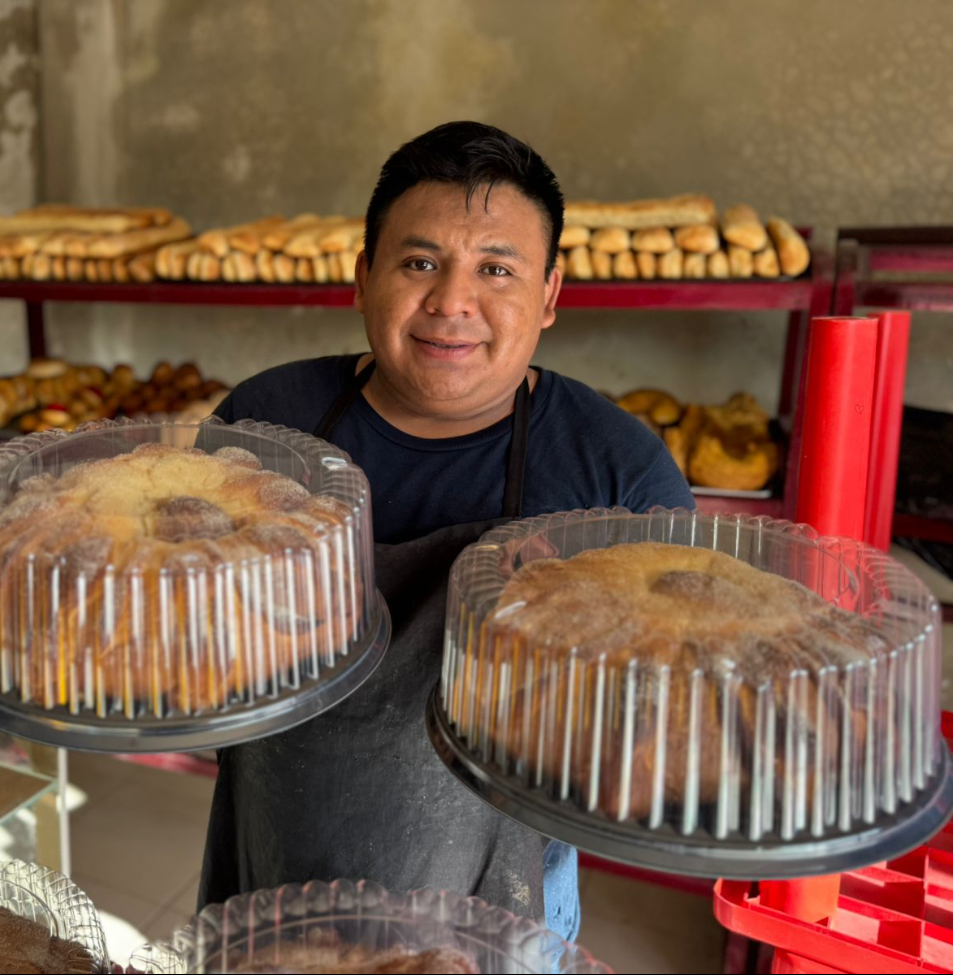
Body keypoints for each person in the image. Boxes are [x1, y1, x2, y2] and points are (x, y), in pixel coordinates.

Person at [198, 120, 695, 940]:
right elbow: (187, 633)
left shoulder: (620, 477)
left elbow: (669, 718)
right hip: (272, 866)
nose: (452, 302)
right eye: (420, 262)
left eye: (496, 269)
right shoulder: (263, 424)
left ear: (550, 296)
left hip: (501, 903)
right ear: (363, 277)